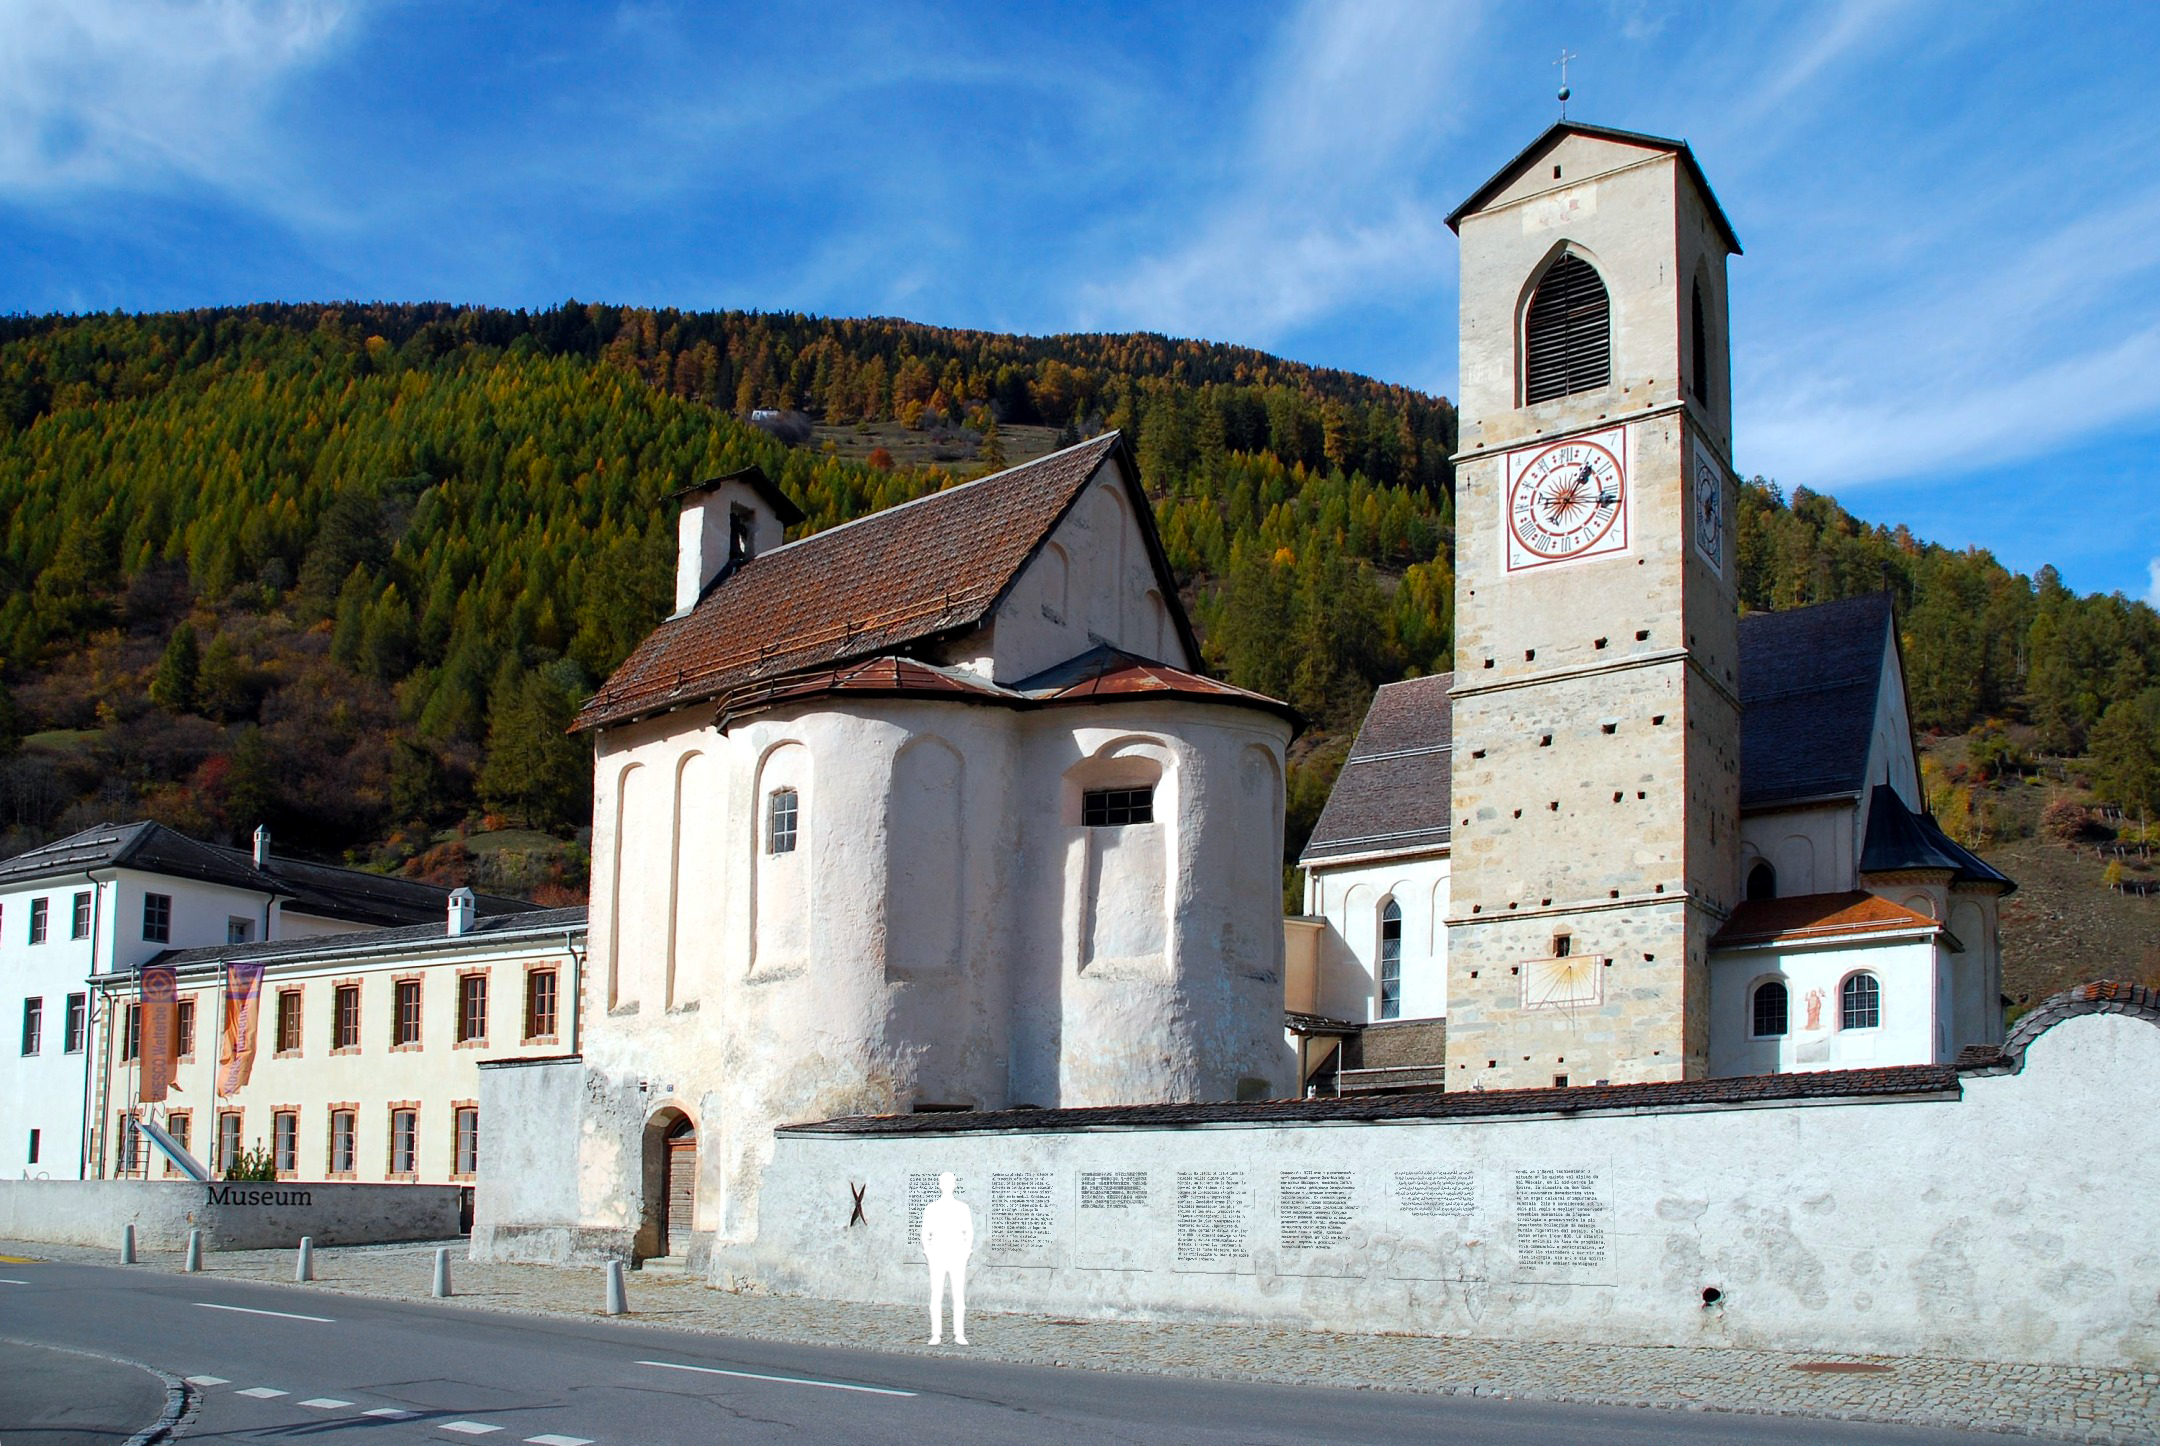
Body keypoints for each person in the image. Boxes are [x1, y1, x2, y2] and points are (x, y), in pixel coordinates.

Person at [921, 1171, 974, 1345]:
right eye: (943, 1182)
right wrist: (928, 1251)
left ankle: (959, 1333)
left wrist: (966, 1251)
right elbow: (925, 1232)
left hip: (957, 1255)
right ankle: (936, 1333)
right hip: (937, 1255)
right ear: (939, 1185)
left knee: (958, 1295)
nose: (947, 1186)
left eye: (950, 1182)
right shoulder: (931, 1208)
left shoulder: (962, 1208)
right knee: (936, 1295)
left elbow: (969, 1231)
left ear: (954, 1185)